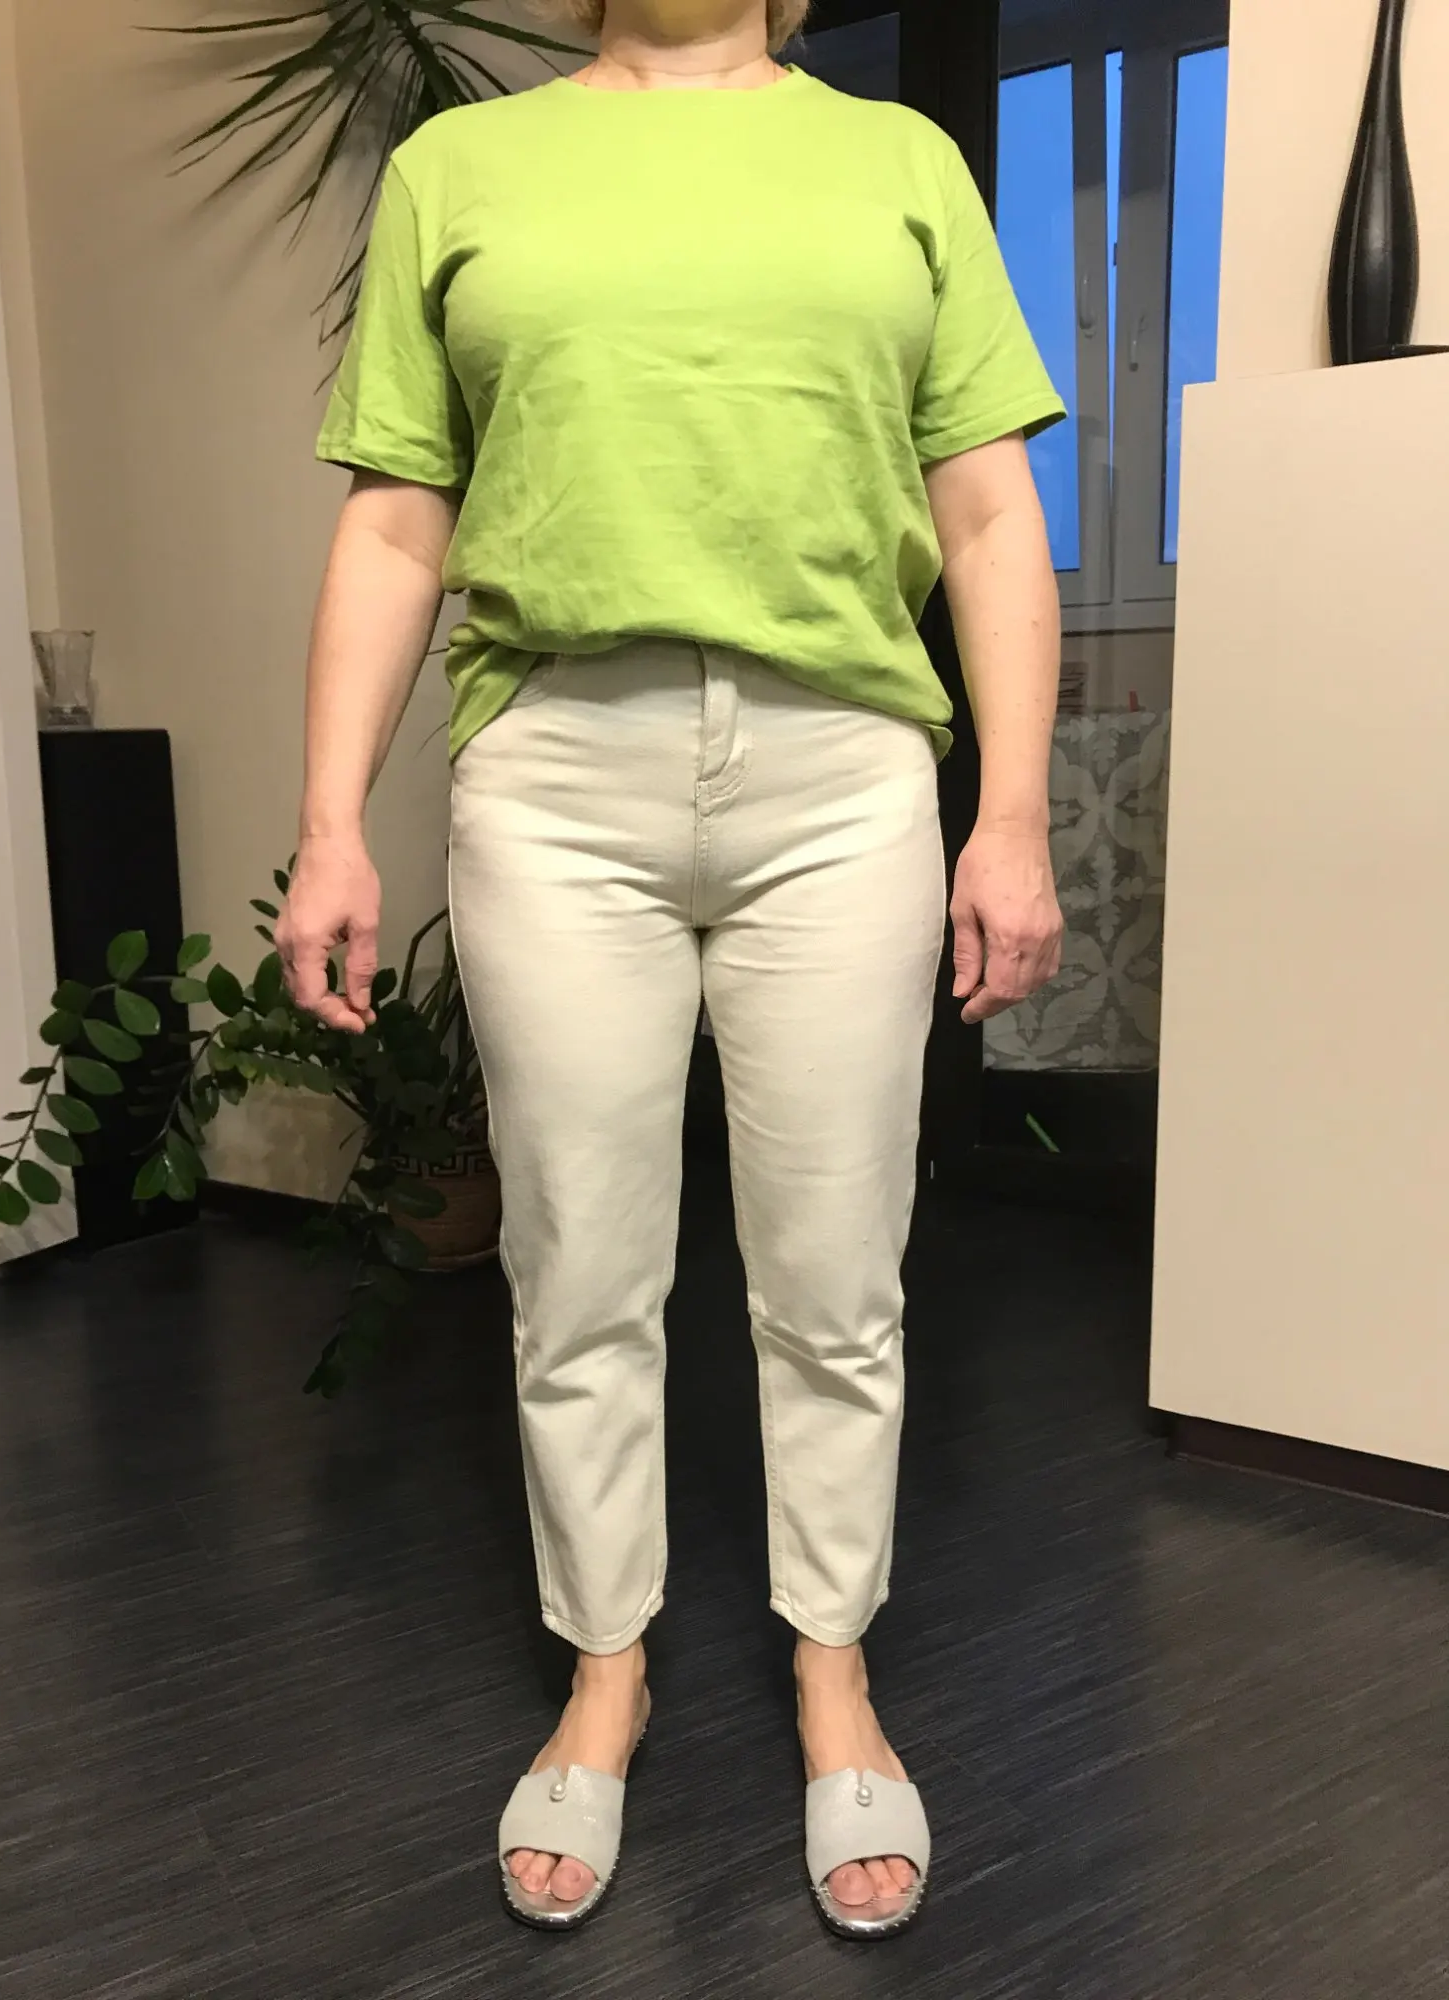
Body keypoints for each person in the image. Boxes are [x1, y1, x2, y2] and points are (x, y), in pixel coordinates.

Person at [277, 0, 1065, 1942]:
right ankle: (605, 1667)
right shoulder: (462, 169)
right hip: (559, 774)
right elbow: (399, 518)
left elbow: (984, 513)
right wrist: (331, 817)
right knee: (576, 1267)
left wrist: (1015, 813)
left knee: (837, 1272)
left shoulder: (900, 165)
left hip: (841, 776)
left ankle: (832, 1670)